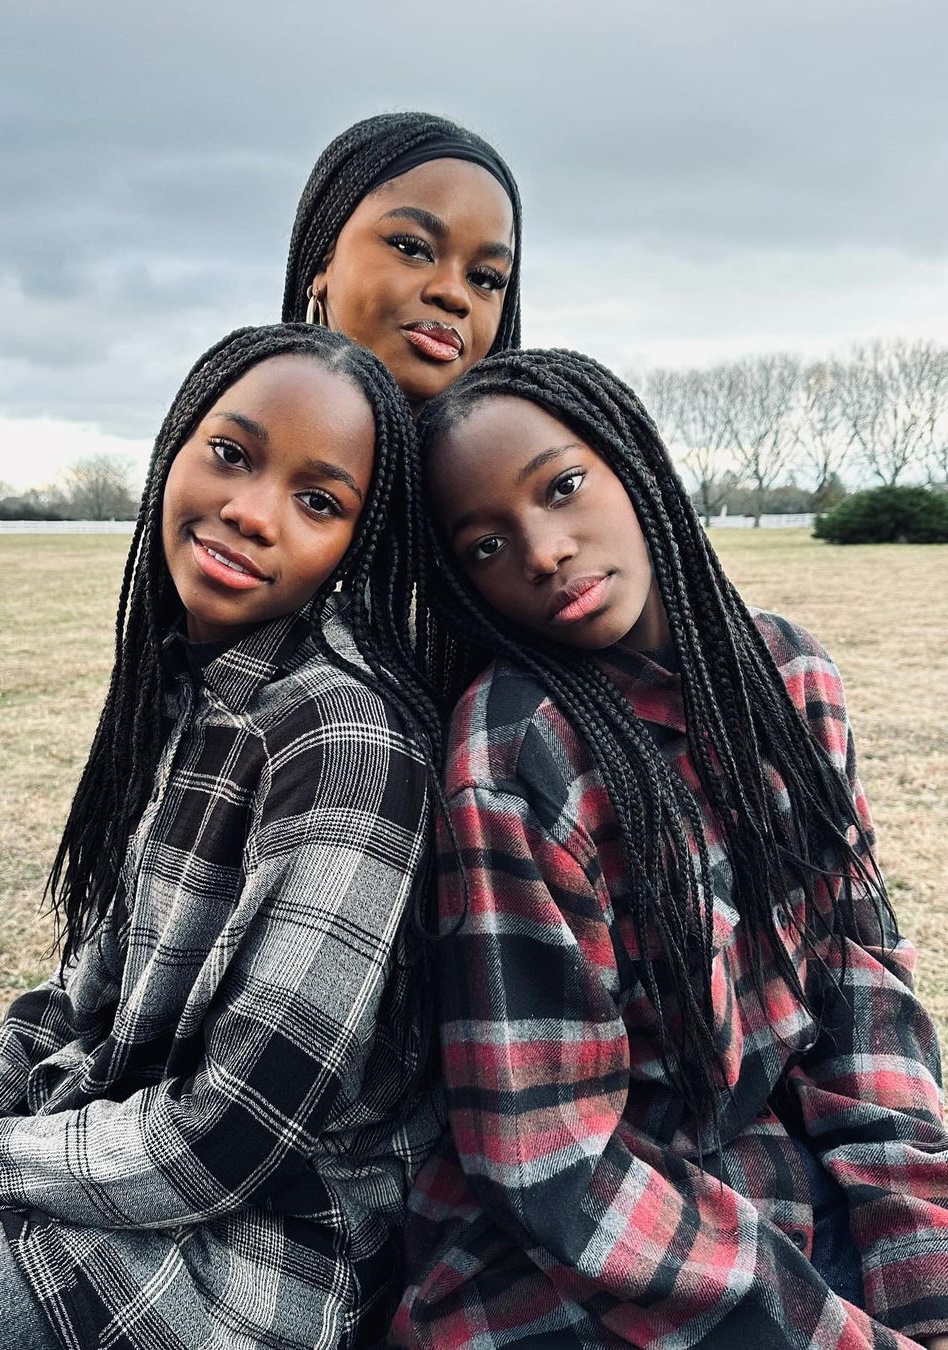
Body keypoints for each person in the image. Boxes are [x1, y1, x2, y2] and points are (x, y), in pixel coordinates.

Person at [0, 324, 445, 1350]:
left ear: (357, 543)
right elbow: (90, 984)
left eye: (319, 502)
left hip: (247, 1264)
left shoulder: (346, 743)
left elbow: (224, 1141)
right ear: (175, 446)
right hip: (100, 1168)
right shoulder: (191, 693)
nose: (252, 512)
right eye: (232, 454)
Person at [392, 348, 948, 1348]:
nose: (545, 549)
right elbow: (547, 1157)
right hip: (592, 1260)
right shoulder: (515, 751)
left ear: (634, 463)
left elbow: (861, 989)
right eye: (485, 545)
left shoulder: (789, 677)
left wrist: (924, 1271)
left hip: (793, 1177)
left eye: (563, 488)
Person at [283, 111, 522, 409]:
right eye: (412, 249)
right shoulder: (229, 430)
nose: (453, 294)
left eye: (485, 278)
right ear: (323, 257)